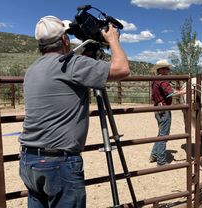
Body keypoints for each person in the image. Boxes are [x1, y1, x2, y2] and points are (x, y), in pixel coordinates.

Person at [18, 15, 130, 207]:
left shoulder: (33, 69)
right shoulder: (71, 64)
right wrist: (113, 40)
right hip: (58, 163)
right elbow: (122, 69)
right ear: (64, 39)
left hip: (29, 160)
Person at [149, 60, 186, 166]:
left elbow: (167, 91)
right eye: (166, 68)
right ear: (160, 70)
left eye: (168, 68)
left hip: (158, 108)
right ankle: (161, 161)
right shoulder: (163, 80)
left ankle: (154, 155)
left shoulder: (156, 80)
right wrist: (185, 91)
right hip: (164, 109)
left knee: (161, 133)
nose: (168, 70)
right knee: (164, 135)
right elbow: (170, 94)